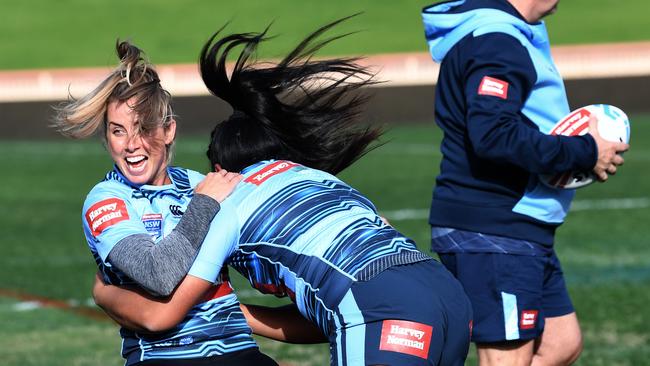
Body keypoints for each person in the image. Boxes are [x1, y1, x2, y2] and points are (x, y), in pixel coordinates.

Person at [91, 17, 474, 366]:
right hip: (447, 297)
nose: (130, 144)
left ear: (222, 169)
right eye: (117, 130)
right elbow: (329, 307)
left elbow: (162, 313)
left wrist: (104, 293)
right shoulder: (317, 179)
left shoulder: (226, 200)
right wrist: (239, 314)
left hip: (380, 306)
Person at [421, 1, 629, 365]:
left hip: (520, 226)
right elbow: (493, 135)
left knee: (561, 344)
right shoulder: (496, 41)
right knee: (507, 359)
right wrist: (584, 151)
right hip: (494, 228)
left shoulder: (508, 36)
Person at [52, 41, 278, 366]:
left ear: (168, 130)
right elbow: (156, 275)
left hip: (237, 351)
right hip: (167, 357)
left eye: (143, 129)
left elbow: (254, 243)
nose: (131, 144)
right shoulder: (107, 199)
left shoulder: (199, 182)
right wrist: (203, 204)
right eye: (118, 131)